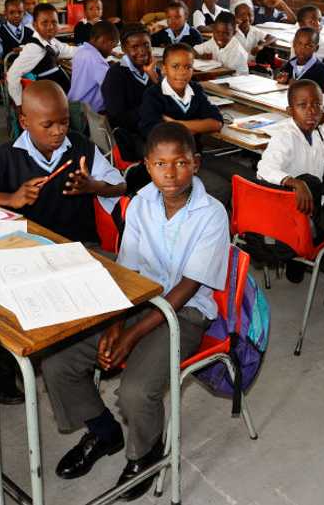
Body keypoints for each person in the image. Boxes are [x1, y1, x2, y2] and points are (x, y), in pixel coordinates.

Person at [43, 122, 228, 502]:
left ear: (195, 163)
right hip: (138, 299)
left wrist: (129, 335)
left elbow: (186, 289)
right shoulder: (142, 201)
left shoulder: (212, 214)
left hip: (186, 312)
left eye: (180, 163)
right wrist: (114, 323)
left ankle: (145, 452)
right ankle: (104, 431)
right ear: (147, 165)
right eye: (160, 164)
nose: (170, 173)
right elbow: (127, 271)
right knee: (57, 360)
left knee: (137, 390)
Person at [0, 80, 125, 243]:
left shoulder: (82, 147)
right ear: (24, 122)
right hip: (26, 245)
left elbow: (120, 186)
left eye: (64, 122)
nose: (58, 131)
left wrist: (93, 186)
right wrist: (10, 199)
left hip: (79, 245)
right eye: (48, 125)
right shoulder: (5, 157)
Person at [256, 80, 324, 294]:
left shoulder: (317, 132)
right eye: (303, 106)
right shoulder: (286, 136)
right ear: (290, 110)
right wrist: (293, 181)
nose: (311, 111)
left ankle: (296, 260)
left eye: (317, 105)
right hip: (295, 213)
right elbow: (264, 168)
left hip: (308, 205)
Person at [138, 44, 223, 142]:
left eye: (188, 67)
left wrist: (176, 124)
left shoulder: (195, 89)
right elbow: (152, 132)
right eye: (175, 66)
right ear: (164, 69)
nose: (182, 72)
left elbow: (217, 123)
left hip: (191, 152)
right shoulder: (153, 94)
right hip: (165, 153)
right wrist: (195, 125)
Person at [101, 26, 158, 162]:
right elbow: (117, 116)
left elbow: (165, 100)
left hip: (152, 128)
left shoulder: (153, 71)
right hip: (130, 137)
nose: (142, 51)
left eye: (146, 45)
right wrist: (151, 111)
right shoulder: (116, 75)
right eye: (134, 47)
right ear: (123, 49)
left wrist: (154, 78)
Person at [5, 3, 78, 105]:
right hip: (48, 96)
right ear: (35, 25)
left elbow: (66, 50)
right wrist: (19, 103)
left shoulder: (51, 41)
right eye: (44, 23)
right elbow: (13, 74)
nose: (50, 27)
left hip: (59, 91)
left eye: (54, 22)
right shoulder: (33, 48)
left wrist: (90, 49)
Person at [68, 20, 119, 113]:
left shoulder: (81, 51)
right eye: (112, 46)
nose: (111, 51)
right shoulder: (96, 59)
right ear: (103, 41)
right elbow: (111, 86)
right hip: (88, 114)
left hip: (74, 106)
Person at [275, 26, 324, 95]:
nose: (302, 49)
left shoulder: (322, 70)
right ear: (293, 44)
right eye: (299, 44)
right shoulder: (289, 65)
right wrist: (282, 82)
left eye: (308, 46)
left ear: (316, 48)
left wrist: (300, 87)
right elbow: (281, 89)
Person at [0, 0, 33, 76]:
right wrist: (13, 65)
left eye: (20, 12)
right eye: (12, 12)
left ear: (24, 13)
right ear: (5, 13)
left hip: (30, 68)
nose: (16, 15)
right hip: (10, 71)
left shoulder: (30, 32)